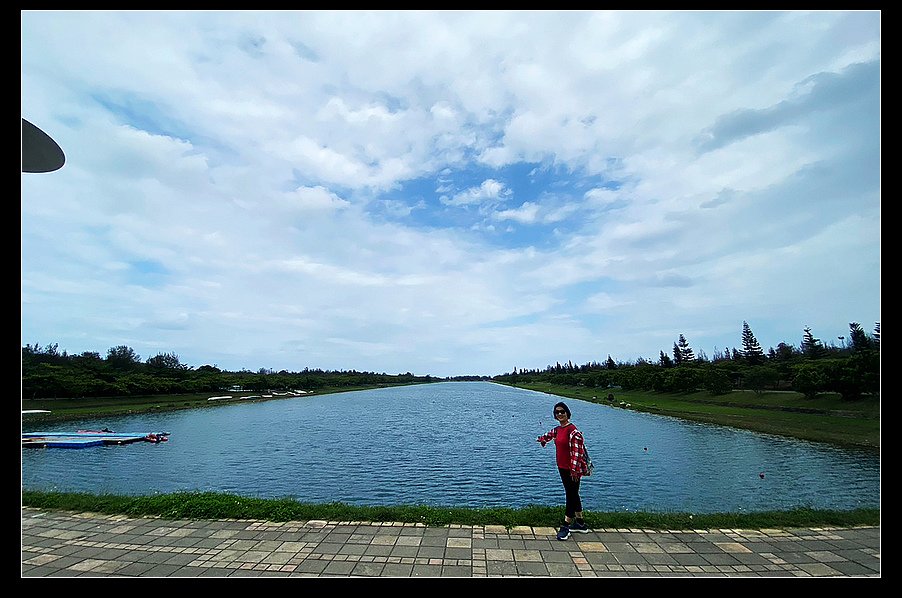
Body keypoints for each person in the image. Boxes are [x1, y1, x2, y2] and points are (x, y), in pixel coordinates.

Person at [536, 401, 590, 540]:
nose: (560, 414)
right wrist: (542, 440)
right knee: (573, 493)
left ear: (567, 413)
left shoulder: (573, 432)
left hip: (572, 469)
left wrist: (574, 471)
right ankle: (580, 523)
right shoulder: (558, 429)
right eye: (557, 412)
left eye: (562, 411)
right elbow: (550, 435)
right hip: (562, 467)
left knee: (570, 495)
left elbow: (577, 454)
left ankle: (566, 525)